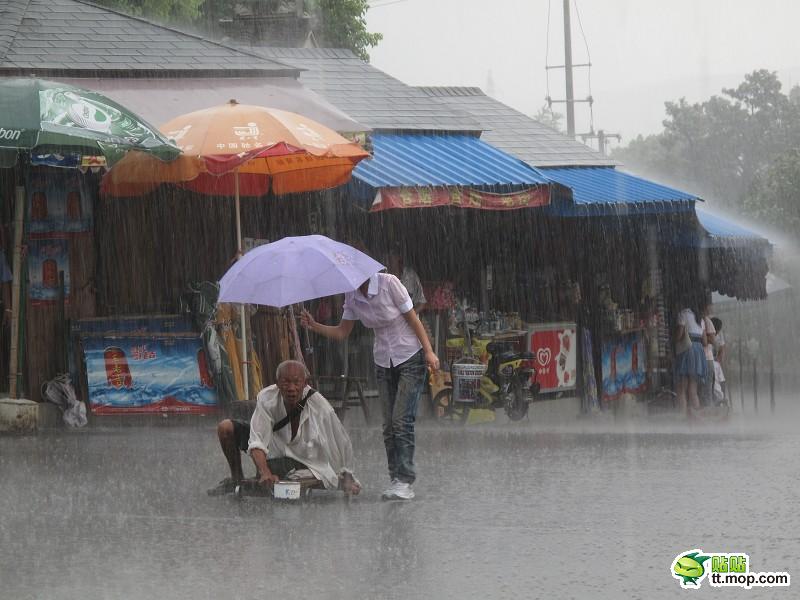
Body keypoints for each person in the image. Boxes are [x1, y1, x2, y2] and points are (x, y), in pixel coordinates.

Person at [301, 271, 439, 501]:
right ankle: (396, 478)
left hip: (410, 356)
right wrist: (314, 325)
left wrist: (429, 351)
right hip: (383, 360)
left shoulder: (389, 284)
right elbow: (342, 332)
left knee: (401, 420)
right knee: (388, 425)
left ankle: (405, 480)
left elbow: (413, 318)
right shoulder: (352, 295)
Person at [207, 360, 360, 496]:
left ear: (305, 383)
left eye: (296, 382)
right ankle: (237, 479)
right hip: (273, 447)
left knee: (285, 474)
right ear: (277, 383)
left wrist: (347, 475)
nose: (291, 388)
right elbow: (257, 440)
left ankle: (271, 474)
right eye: (286, 382)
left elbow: (340, 440)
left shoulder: (319, 405)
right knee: (225, 427)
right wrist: (264, 471)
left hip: (303, 456)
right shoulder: (267, 397)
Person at [673, 297, 708, 417]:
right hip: (699, 352)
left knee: (682, 388)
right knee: (693, 390)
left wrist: (673, 340)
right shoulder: (700, 319)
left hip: (687, 350)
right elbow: (705, 342)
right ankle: (697, 417)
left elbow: (679, 335)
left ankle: (682, 417)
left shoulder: (683, 314)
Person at [387, 246, 426, 313]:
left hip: (409, 321)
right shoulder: (381, 277)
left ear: (398, 257)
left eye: (392, 256)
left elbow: (421, 302)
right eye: (387, 257)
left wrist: (409, 318)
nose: (389, 260)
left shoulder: (410, 275)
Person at [711, 316, 727, 404]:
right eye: (716, 331)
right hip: (708, 360)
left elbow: (722, 348)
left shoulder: (720, 334)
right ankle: (716, 400)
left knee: (721, 380)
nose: (717, 333)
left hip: (715, 361)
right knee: (713, 383)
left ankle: (722, 399)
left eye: (718, 331)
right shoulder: (707, 333)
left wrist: (719, 361)